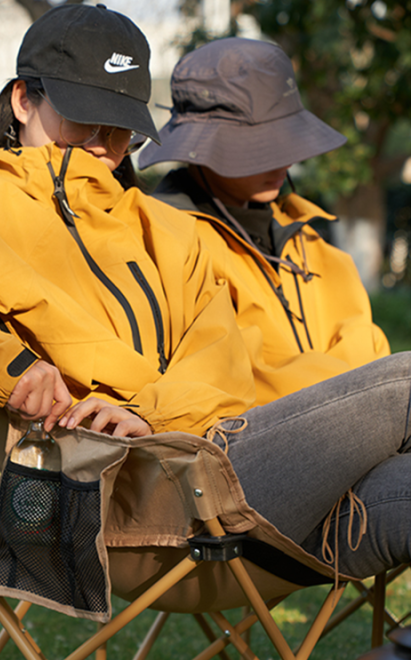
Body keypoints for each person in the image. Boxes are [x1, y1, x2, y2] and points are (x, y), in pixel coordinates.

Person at [0, 5, 410, 582]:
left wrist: (151, 413)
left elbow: (224, 364)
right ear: (23, 100)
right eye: (82, 116)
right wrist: (4, 366)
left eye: (120, 127)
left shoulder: (167, 228)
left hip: (215, 471)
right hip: (113, 509)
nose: (101, 142)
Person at [137, 38, 390, 407]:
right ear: (204, 147)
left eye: (286, 139)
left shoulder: (311, 241)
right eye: (262, 145)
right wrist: (362, 388)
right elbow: (231, 371)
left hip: (357, 425)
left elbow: (369, 343)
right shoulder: (167, 238)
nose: (284, 160)